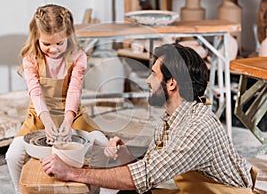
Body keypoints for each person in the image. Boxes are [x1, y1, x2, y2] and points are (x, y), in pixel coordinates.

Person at [42, 43, 257, 194]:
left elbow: (144, 177)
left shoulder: (197, 128)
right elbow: (150, 172)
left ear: (172, 83)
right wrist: (125, 156)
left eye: (154, 74)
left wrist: (72, 173)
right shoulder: (171, 119)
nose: (147, 80)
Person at [5, 4, 108, 194]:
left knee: (101, 143)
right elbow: (35, 92)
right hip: (39, 114)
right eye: (47, 44)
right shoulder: (31, 58)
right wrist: (46, 120)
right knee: (12, 155)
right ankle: (20, 192)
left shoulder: (78, 56)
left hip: (73, 113)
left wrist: (68, 121)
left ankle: (94, 190)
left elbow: (74, 91)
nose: (54, 49)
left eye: (60, 43)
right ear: (36, 37)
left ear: (69, 35)